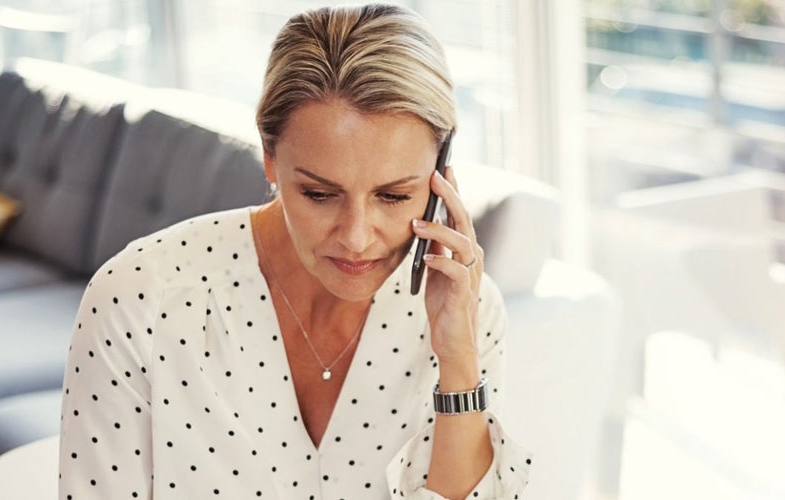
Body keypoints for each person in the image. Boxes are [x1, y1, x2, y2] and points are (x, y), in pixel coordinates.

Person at [57, 4, 533, 499]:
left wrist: (457, 359)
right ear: (269, 155)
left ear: (441, 176)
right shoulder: (138, 300)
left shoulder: (467, 309)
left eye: (393, 197)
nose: (356, 236)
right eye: (319, 194)